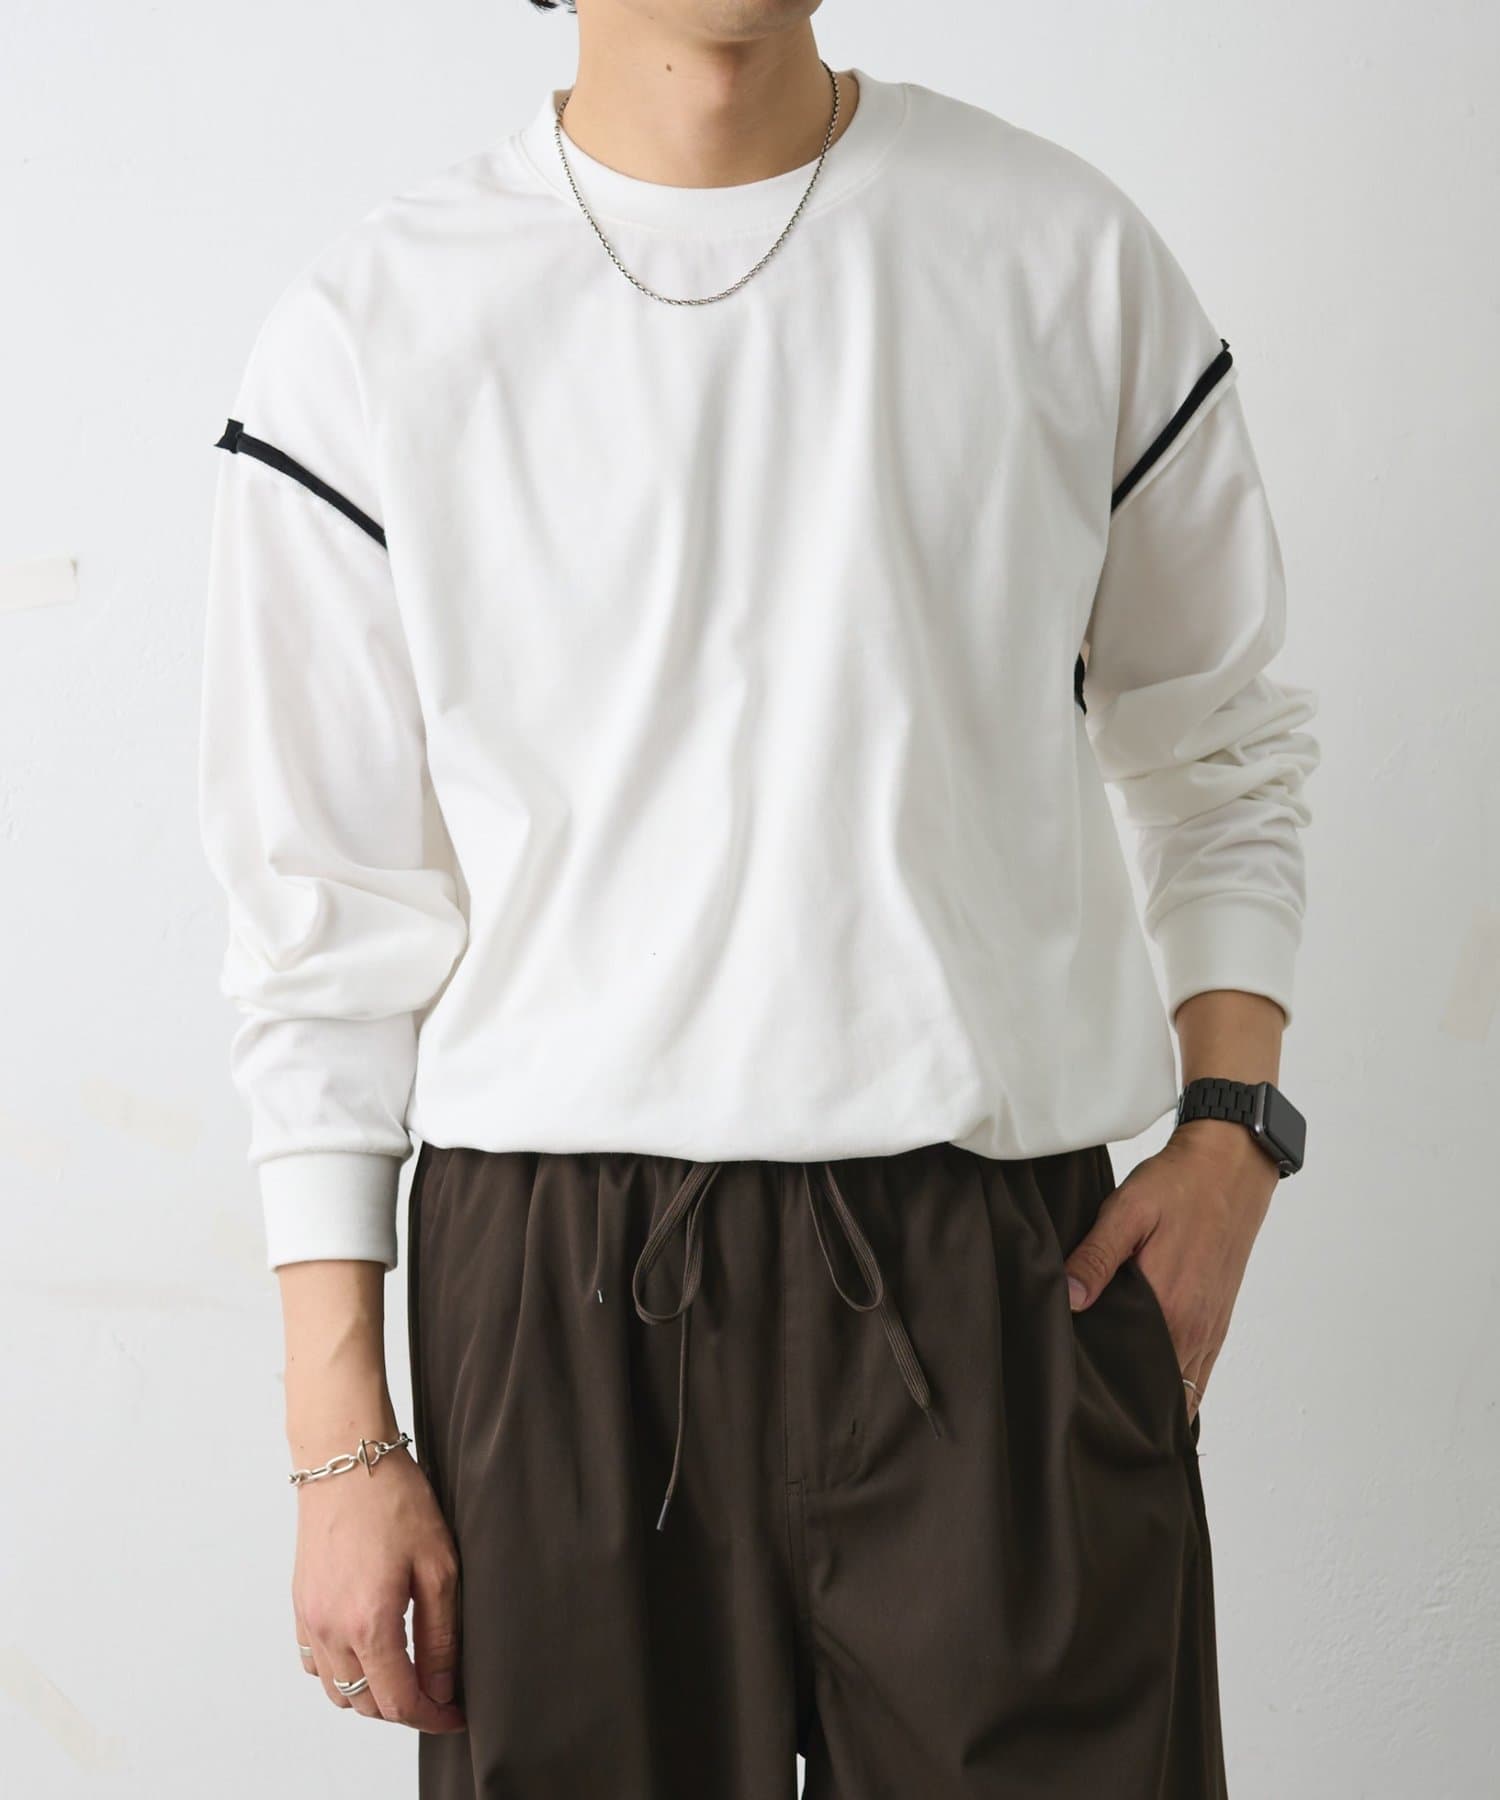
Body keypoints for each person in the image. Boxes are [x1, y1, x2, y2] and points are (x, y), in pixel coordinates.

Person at [197, 2, 1320, 1794]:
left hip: (992, 1267)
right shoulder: (372, 327)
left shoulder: (1061, 255)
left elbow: (1223, 740)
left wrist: (1233, 1128)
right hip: (558, 1298)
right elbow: (320, 914)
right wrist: (340, 1433)